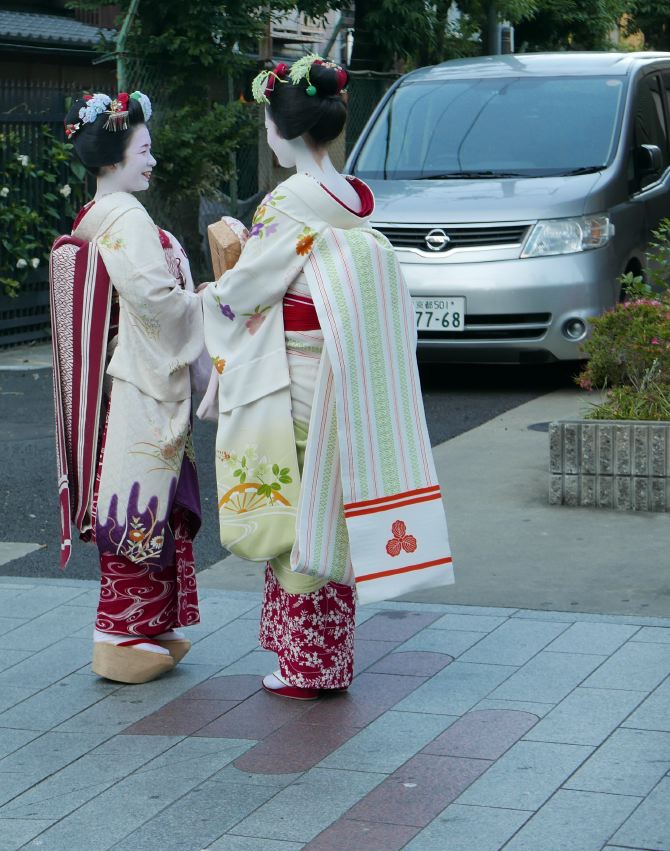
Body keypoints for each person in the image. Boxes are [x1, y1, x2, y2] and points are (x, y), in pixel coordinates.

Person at [200, 56, 454, 700]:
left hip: (297, 377)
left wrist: (210, 295)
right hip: (345, 374)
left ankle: (305, 666)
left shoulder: (287, 202)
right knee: (332, 511)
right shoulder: (352, 198)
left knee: (298, 516)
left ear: (283, 130)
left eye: (267, 124)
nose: (266, 135)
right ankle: (330, 660)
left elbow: (247, 292)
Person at [49, 91, 210, 684]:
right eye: (144, 151)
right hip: (140, 381)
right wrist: (211, 304)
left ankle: (149, 625)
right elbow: (156, 302)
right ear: (114, 158)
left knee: (146, 500)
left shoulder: (96, 216)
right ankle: (116, 633)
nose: (152, 160)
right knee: (137, 503)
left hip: (118, 381)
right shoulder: (129, 220)